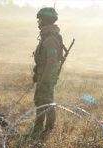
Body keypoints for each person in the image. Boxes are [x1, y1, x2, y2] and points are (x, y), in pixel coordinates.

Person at [31, 7, 64, 138]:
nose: (38, 22)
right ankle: (39, 128)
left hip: (46, 79)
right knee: (40, 102)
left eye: (40, 20)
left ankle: (48, 130)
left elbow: (51, 63)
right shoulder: (47, 37)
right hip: (42, 78)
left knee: (47, 102)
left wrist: (44, 81)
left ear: (45, 20)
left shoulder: (50, 40)